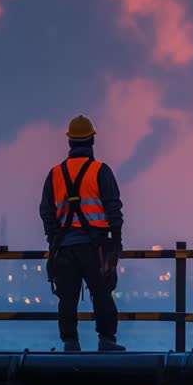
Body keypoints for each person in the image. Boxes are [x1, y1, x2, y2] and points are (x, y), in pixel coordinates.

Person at [39, 114, 125, 352]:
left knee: (67, 298)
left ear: (70, 142)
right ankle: (106, 341)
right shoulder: (100, 171)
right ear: (91, 141)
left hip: (64, 248)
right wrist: (116, 241)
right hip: (94, 246)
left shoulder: (55, 174)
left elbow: (46, 210)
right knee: (102, 293)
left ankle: (70, 344)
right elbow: (113, 207)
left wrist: (53, 237)